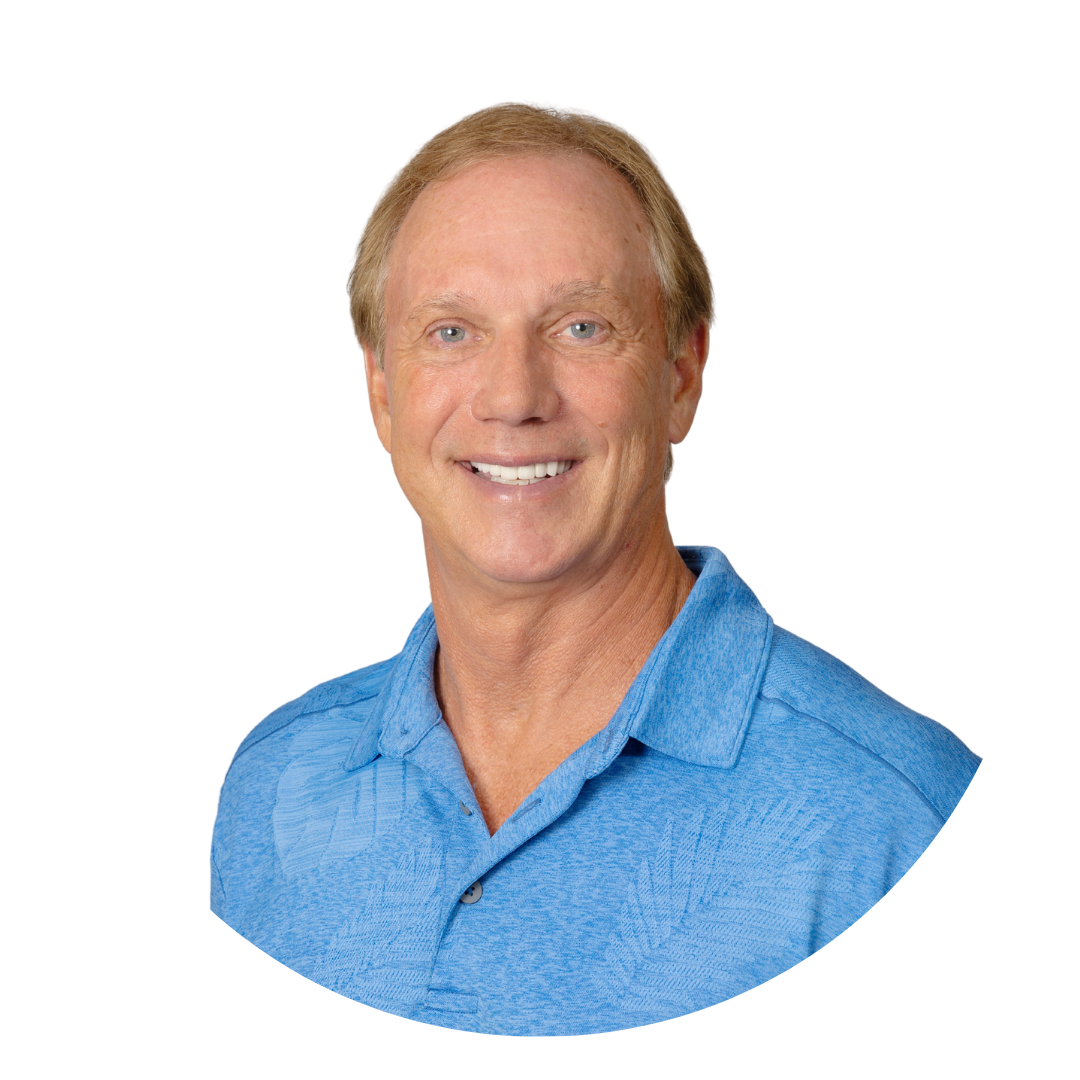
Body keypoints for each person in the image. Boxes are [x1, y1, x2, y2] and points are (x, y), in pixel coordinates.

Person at [210, 103, 980, 1034]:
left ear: (682, 373)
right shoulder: (277, 786)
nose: (513, 397)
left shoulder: (895, 817)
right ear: (381, 390)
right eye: (451, 332)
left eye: (582, 327)